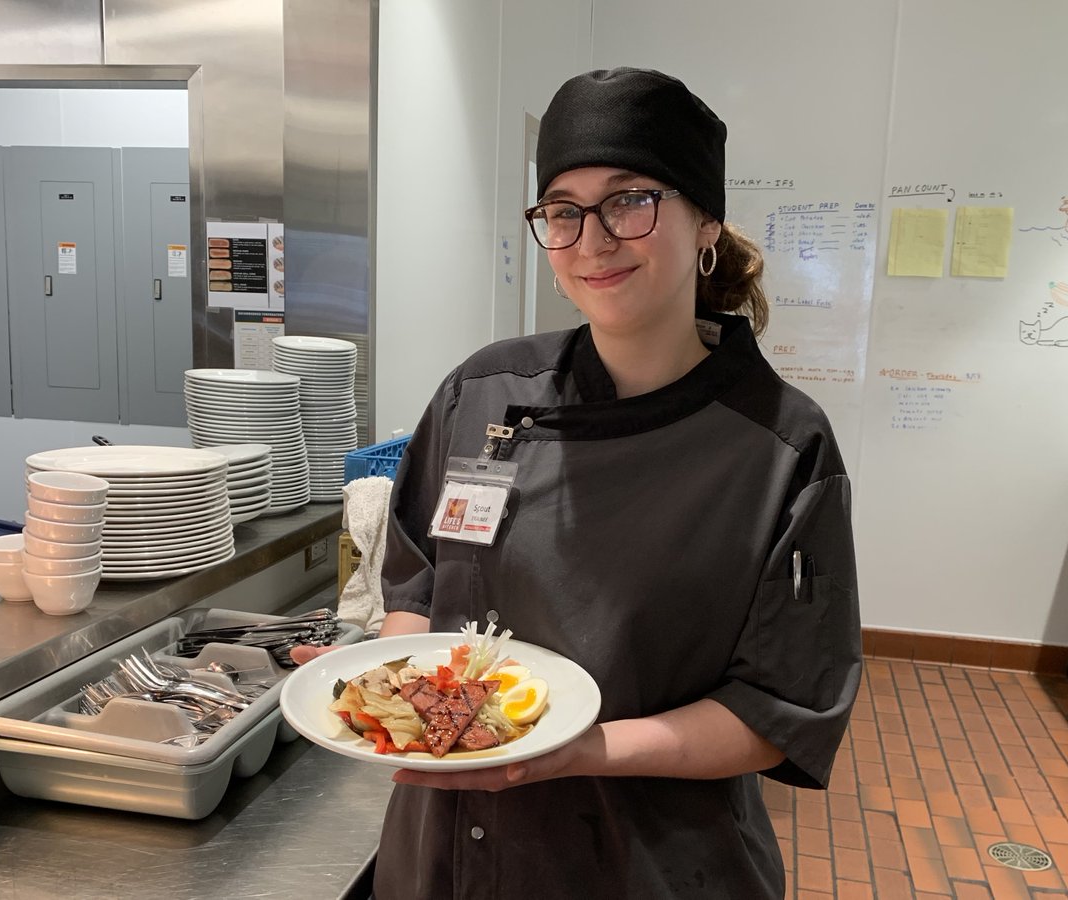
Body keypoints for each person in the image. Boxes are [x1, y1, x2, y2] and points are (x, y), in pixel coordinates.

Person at [301, 67, 861, 899]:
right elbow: (418, 580)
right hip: (444, 853)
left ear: (706, 221)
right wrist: (388, 684)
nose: (592, 241)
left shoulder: (779, 445)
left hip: (647, 864)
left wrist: (581, 750)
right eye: (563, 210)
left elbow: (778, 711)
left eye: (630, 200)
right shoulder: (481, 393)